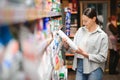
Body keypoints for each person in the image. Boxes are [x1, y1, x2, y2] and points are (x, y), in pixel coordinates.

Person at [62, 7, 108, 80]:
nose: (83, 23)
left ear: (94, 19)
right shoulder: (80, 31)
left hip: (94, 68)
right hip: (80, 65)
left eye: (86, 21)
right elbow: (73, 48)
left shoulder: (102, 36)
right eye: (83, 21)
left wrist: (84, 54)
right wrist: (66, 44)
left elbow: (103, 57)